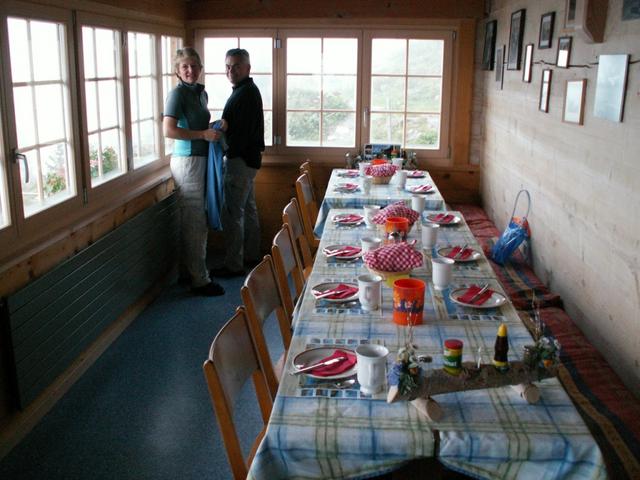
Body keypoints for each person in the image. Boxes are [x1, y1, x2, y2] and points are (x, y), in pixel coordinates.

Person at [163, 47, 225, 296]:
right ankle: (199, 280)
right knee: (194, 221)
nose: (190, 70)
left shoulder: (200, 93)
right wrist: (202, 134)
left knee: (199, 219)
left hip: (201, 159)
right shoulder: (176, 94)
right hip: (187, 162)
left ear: (201, 68)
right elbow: (168, 130)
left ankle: (196, 272)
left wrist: (214, 126)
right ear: (177, 71)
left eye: (194, 66)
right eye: (185, 66)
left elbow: (198, 125)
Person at [212, 48, 265, 277]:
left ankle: (234, 265)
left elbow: (242, 135)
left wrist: (226, 146)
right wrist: (225, 125)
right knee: (248, 209)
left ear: (247, 68)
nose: (230, 70)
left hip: (240, 161)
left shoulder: (245, 94)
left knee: (233, 214)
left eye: (236, 66)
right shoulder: (246, 91)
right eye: (227, 66)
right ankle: (252, 255)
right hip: (249, 160)